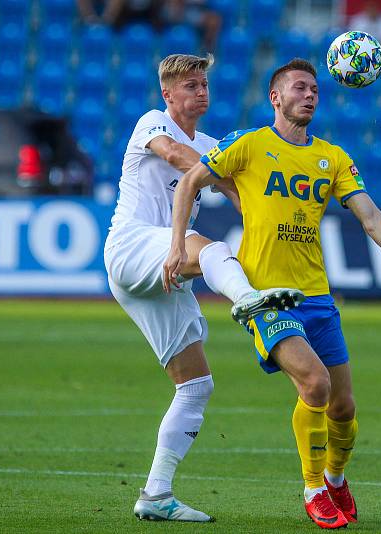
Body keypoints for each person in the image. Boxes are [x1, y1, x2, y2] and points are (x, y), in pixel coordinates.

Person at [165, 58, 381, 529]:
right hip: (265, 295)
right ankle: (314, 488)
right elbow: (191, 181)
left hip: (316, 296)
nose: (310, 95)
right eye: (299, 88)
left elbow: (371, 218)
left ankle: (336, 477)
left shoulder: (332, 157)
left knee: (343, 406)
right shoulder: (250, 146)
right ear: (276, 97)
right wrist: (177, 244)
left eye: (315, 89)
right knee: (314, 384)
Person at [104, 53, 304, 522]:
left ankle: (155, 495)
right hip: (134, 247)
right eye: (191, 86)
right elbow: (179, 159)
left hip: (162, 274)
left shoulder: (213, 143)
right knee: (211, 249)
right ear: (168, 95)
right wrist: (219, 167)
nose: (201, 93)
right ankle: (250, 302)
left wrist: (260, 208)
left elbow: (238, 191)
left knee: (195, 386)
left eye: (204, 85)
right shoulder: (152, 123)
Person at [349, 0, 381, 70]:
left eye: (374, 7)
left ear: (378, 8)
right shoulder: (357, 21)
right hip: (360, 49)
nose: (372, 10)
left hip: (380, 50)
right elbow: (352, 40)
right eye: (370, 7)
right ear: (366, 7)